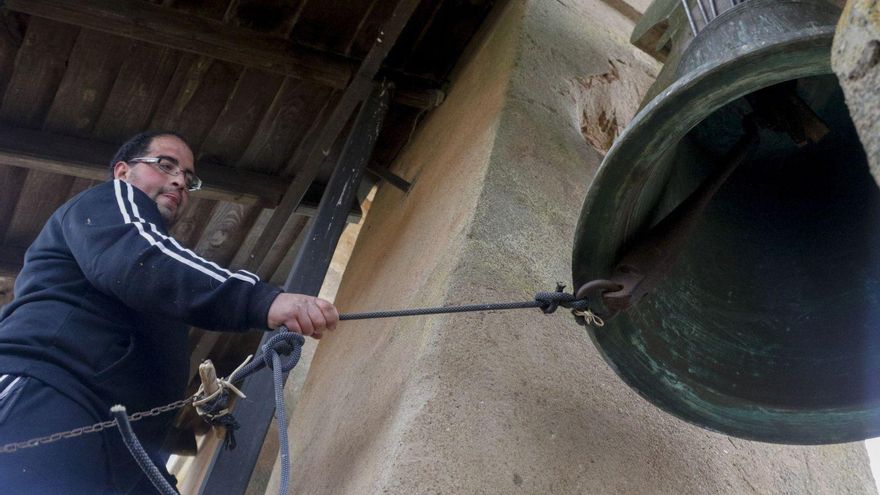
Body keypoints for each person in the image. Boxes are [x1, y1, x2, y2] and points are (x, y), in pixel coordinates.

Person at [0, 131, 339, 494]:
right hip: (50, 395)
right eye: (165, 165)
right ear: (122, 172)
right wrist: (260, 300)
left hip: (117, 442)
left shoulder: (154, 274)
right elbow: (139, 261)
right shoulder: (111, 203)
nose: (180, 180)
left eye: (189, 178)